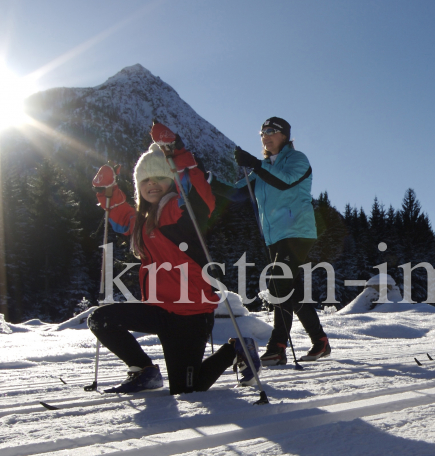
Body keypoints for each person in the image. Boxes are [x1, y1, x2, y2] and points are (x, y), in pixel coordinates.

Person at [88, 124, 260, 394]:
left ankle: (237, 348)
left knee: (186, 390)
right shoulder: (142, 222)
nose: (151, 184)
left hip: (190, 314)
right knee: (101, 319)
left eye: (158, 177)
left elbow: (203, 196)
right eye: (145, 180)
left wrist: (178, 154)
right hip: (159, 310)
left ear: (172, 181)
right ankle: (143, 370)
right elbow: (121, 217)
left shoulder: (180, 211)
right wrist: (106, 190)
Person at [233, 117, 329, 366]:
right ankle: (320, 340)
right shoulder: (263, 167)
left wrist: (255, 164)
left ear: (284, 136)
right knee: (290, 291)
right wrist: (206, 181)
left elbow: (284, 182)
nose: (265, 135)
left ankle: (277, 347)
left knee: (277, 285)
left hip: (297, 232)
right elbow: (236, 193)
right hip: (274, 236)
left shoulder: (297, 160)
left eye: (271, 131)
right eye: (262, 131)